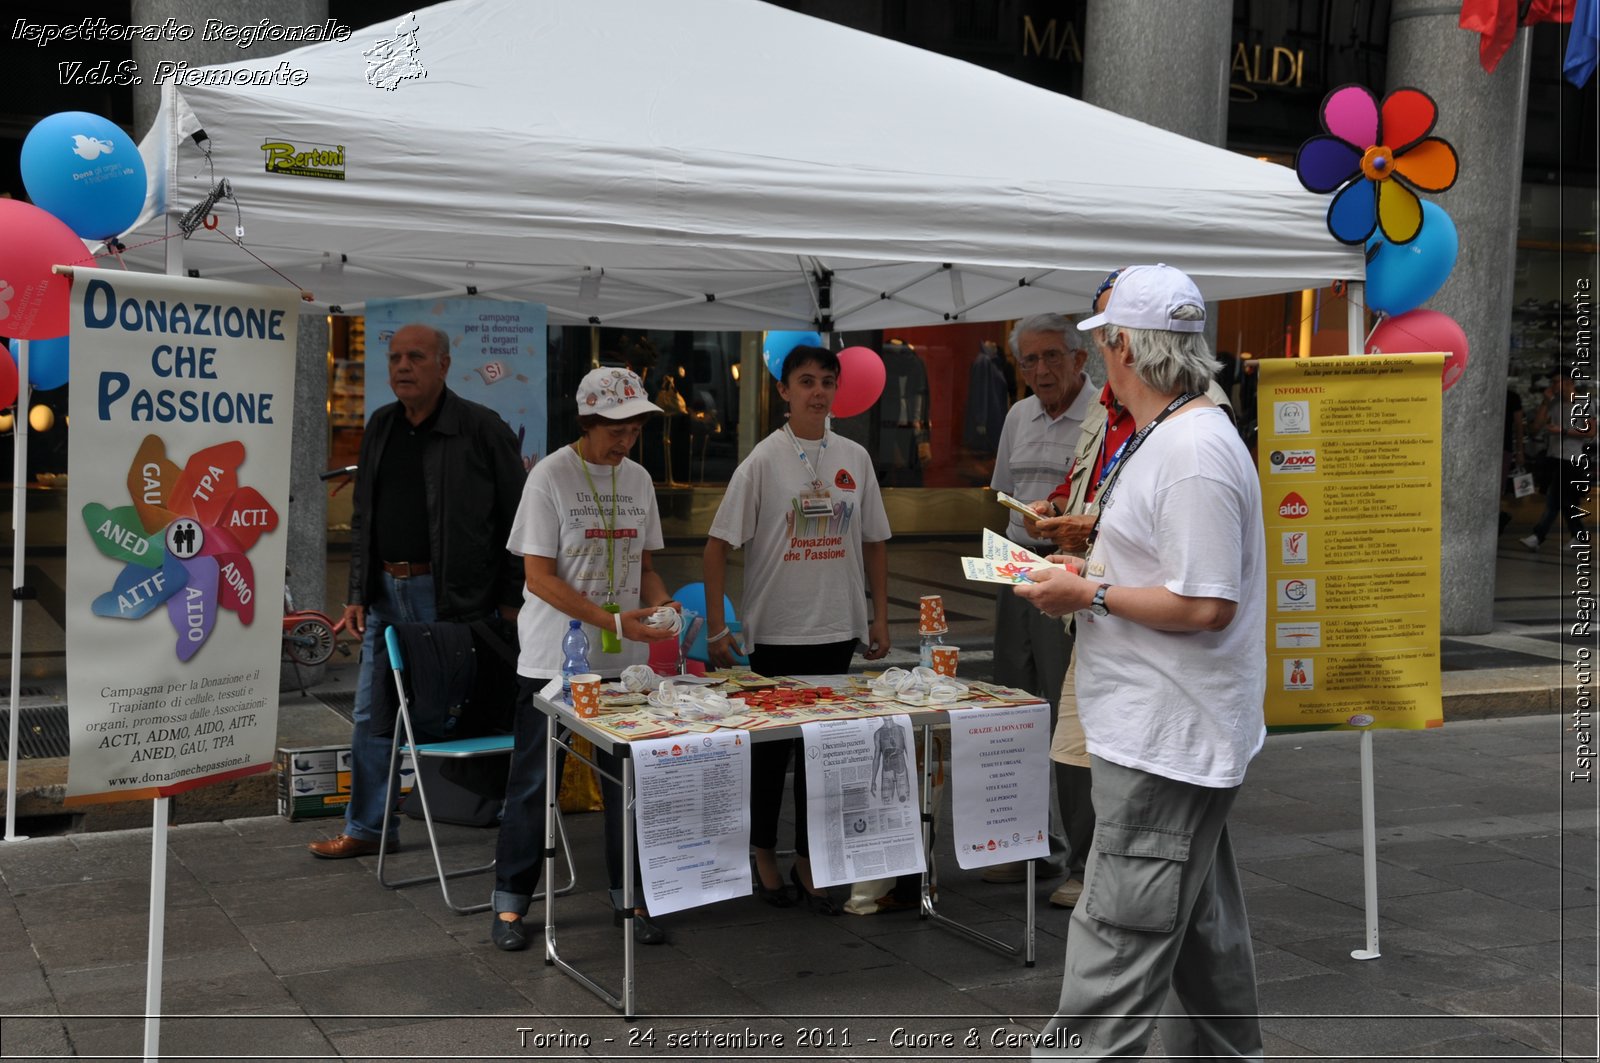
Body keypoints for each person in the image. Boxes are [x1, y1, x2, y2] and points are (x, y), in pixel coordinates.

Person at [1015, 264, 1267, 1059]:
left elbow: (1204, 603)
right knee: (1200, 932)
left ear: (1125, 346)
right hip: (1171, 734)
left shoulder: (1189, 447)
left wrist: (1085, 595)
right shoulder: (1176, 433)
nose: (1101, 367)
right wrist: (1096, 545)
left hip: (1165, 737)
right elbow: (1177, 567)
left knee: (1114, 952)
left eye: (1104, 346)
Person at [308, 324, 525, 860]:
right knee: (371, 714)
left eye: (417, 357)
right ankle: (368, 828)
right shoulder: (381, 424)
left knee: (454, 712)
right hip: (386, 592)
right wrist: (357, 591)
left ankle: (498, 808)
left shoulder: (480, 428)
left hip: (450, 596)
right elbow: (364, 517)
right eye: (396, 357)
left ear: (444, 365)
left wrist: (508, 598)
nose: (403, 366)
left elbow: (520, 521)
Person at [490, 367, 680, 951]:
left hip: (621, 661)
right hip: (554, 657)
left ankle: (633, 899)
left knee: (629, 779)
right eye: (615, 428)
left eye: (636, 428)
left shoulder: (641, 480)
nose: (625, 441)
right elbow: (538, 577)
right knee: (533, 782)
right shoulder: (550, 476)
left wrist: (662, 607)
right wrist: (614, 621)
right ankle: (509, 905)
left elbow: (645, 567)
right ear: (587, 421)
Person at [703, 345, 892, 913]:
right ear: (783, 391)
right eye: (805, 382)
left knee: (825, 752)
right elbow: (716, 548)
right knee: (769, 754)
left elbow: (875, 540)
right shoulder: (762, 461)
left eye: (827, 382)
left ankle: (811, 857)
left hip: (835, 627)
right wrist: (717, 628)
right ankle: (761, 849)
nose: (817, 392)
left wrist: (879, 612)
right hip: (778, 631)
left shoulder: (854, 457)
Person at [983, 313, 1093, 886]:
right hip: (1014, 568)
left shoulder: (1102, 418)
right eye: (1029, 360)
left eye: (1052, 356)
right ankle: (1026, 841)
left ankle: (1083, 861)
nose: (1041, 370)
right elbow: (1002, 495)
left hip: (1070, 573)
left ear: (1080, 358)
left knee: (1067, 717)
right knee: (1014, 710)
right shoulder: (1017, 415)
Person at [1522, 367, 1594, 550]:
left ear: (1569, 382)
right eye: (1552, 382)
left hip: (1572, 458)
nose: (1553, 385)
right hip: (1553, 457)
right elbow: (1535, 428)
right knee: (1561, 501)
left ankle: (1539, 536)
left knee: (1557, 500)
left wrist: (1562, 431)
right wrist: (1545, 403)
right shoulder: (1554, 404)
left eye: (1556, 381)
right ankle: (1576, 536)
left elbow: (1591, 431)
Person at [870, 717, 912, 805]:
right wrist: (873, 780)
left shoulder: (901, 729)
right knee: (886, 803)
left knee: (905, 802)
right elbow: (876, 757)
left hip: (901, 771)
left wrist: (914, 774)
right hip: (887, 772)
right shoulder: (878, 733)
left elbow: (909, 752)